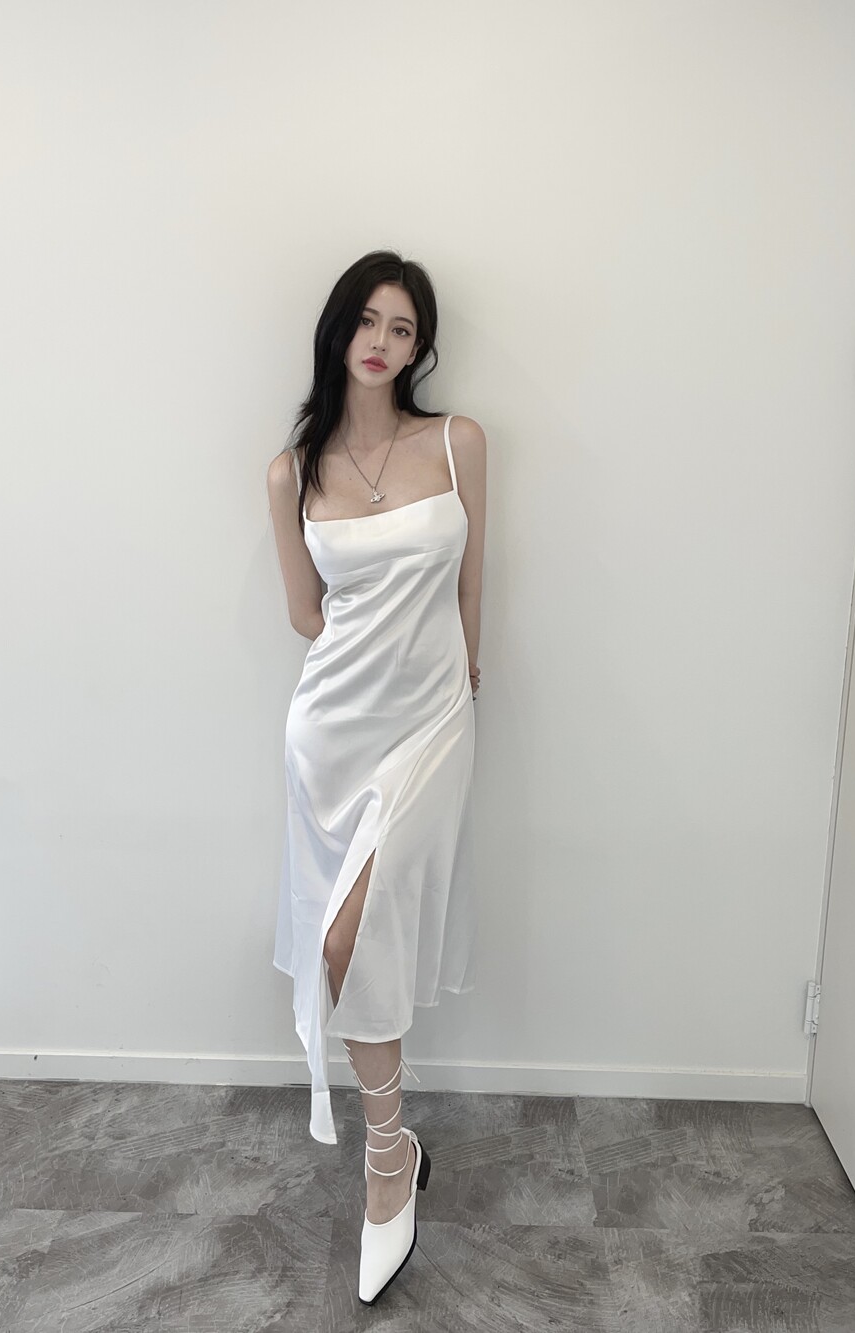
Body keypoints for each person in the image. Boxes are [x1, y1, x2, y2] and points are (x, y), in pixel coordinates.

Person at [267, 249, 486, 1304]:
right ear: (339, 329)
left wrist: (467, 672)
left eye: (402, 327)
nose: (381, 341)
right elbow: (304, 614)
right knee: (344, 942)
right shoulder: (292, 471)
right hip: (332, 732)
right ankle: (394, 1151)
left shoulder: (457, 442)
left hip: (433, 721)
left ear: (418, 346)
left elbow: (472, 578)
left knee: (357, 933)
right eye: (367, 320)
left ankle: (387, 1161)